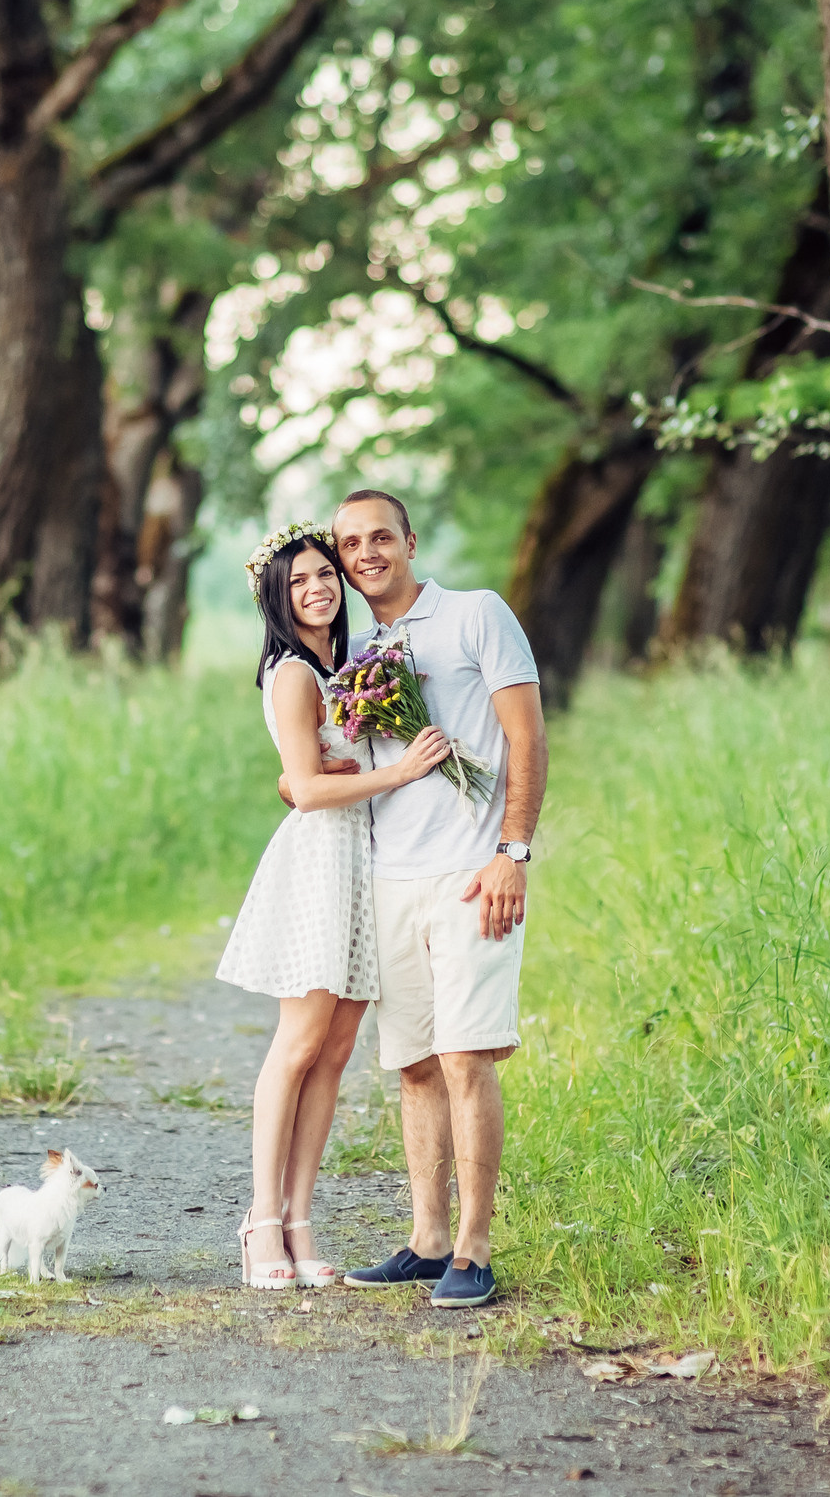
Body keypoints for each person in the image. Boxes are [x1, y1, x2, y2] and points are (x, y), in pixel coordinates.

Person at [214, 524, 454, 1290]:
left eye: (326, 574)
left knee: (338, 1047)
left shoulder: (342, 666)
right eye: (299, 582)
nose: (318, 587)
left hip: (366, 860)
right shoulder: (292, 674)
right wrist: (403, 770)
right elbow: (308, 789)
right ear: (277, 602)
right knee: (300, 1039)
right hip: (321, 861)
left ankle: (301, 1219)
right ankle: (259, 1221)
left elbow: (321, 770)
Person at [326, 489, 547, 1310]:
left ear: (410, 540)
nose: (367, 552)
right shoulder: (357, 650)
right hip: (393, 879)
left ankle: (474, 1247)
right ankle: (425, 1240)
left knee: (466, 1056)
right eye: (351, 543)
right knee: (414, 1065)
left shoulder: (476, 615)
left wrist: (511, 853)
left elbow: (525, 736)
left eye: (380, 535)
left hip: (471, 874)